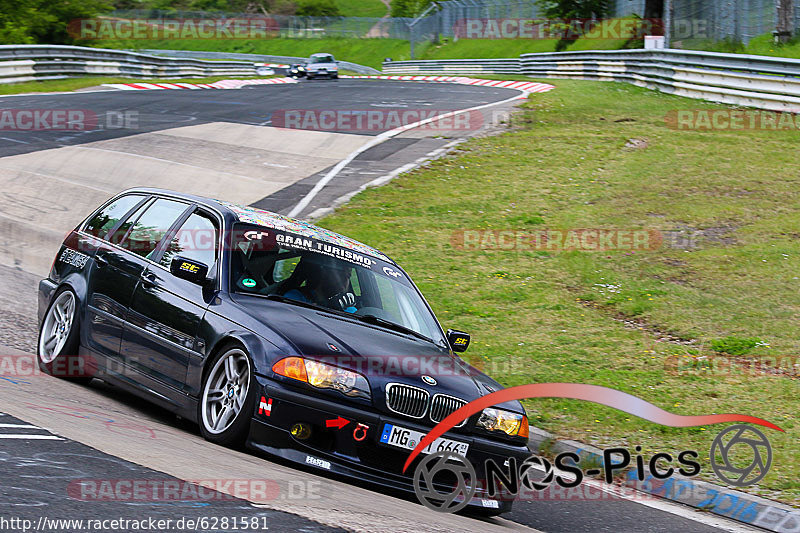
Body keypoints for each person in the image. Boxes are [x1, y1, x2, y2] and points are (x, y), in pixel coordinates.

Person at [283, 255, 357, 313]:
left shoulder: (350, 310)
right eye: (340, 275)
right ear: (324, 273)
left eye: (348, 276)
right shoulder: (295, 297)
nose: (344, 281)